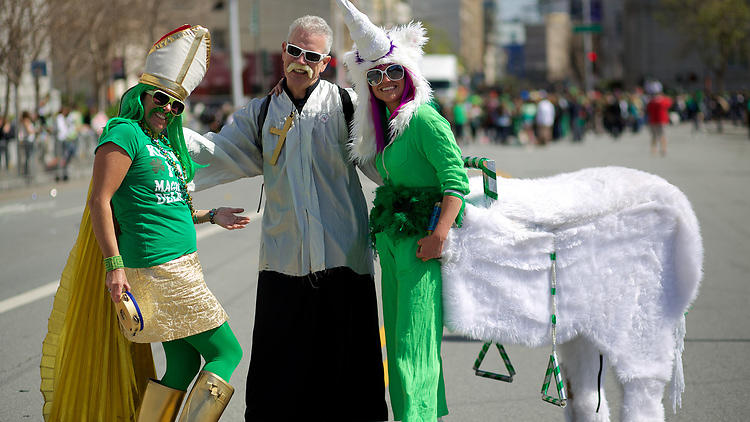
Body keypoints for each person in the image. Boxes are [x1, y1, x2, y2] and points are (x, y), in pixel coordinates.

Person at [184, 15, 388, 422]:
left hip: (343, 261)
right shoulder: (260, 114)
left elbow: (385, 164)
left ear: (326, 62)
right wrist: (160, 141)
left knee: (352, 382)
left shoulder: (347, 106)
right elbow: (214, 152)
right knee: (278, 386)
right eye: (294, 51)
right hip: (283, 264)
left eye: (311, 56)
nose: (300, 61)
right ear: (283, 51)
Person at [41, 25, 249, 421]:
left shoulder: (165, 143)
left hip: (181, 264)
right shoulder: (125, 133)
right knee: (228, 352)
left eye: (176, 105)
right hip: (159, 269)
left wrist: (209, 215)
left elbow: (164, 204)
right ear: (142, 93)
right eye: (161, 98)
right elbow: (100, 201)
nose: (168, 109)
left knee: (184, 367)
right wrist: (114, 266)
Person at [336, 1, 470, 420]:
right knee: (397, 345)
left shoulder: (426, 118)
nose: (384, 81)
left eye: (393, 71)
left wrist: (438, 236)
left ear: (408, 73)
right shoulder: (388, 126)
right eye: (374, 75)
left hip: (421, 239)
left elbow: (456, 181)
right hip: (394, 239)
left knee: (414, 345)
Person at [645, 81, 673, 156]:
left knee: (662, 135)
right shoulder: (651, 101)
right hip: (653, 120)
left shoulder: (663, 100)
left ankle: (663, 149)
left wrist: (659, 100)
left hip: (662, 120)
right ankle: (653, 150)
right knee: (654, 136)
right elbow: (648, 108)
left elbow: (669, 104)